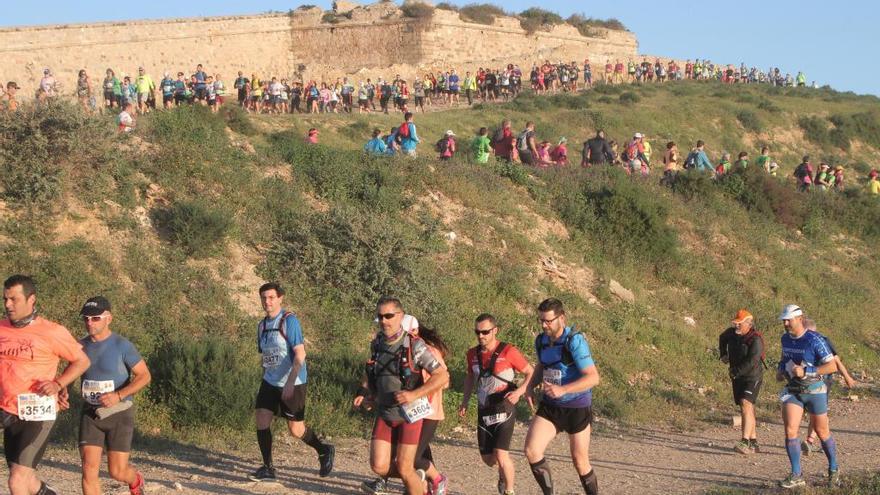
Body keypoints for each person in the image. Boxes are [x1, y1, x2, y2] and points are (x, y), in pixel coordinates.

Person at [0, 274, 91, 495]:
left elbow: (82, 361)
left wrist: (59, 384)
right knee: (25, 478)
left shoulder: (52, 331)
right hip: (6, 410)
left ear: (31, 299)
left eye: (14, 299)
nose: (8, 305)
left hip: (38, 413)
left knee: (17, 481)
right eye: (5, 299)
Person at [354, 297, 449, 495]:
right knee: (379, 466)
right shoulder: (377, 344)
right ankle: (419, 478)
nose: (384, 321)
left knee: (406, 466)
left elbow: (442, 376)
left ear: (401, 316)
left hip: (410, 414)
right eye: (380, 316)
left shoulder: (415, 346)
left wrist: (414, 394)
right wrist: (370, 396)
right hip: (386, 412)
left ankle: (417, 481)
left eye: (389, 316)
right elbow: (375, 375)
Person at [250, 283, 335, 482]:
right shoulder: (262, 326)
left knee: (296, 430)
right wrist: (266, 377)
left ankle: (324, 450)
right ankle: (268, 467)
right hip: (270, 381)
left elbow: (300, 354)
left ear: (280, 298)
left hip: (294, 381)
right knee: (261, 418)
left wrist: (289, 382)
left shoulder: (289, 321)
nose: (267, 302)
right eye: (263, 298)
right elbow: (266, 356)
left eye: (271, 297)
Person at [524, 298, 600, 495]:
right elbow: (542, 365)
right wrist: (530, 386)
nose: (544, 325)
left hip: (576, 407)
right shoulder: (541, 340)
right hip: (551, 406)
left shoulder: (574, 341)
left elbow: (593, 377)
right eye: (541, 320)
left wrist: (564, 390)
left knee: (580, 461)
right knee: (532, 450)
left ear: (562, 318)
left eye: (548, 321)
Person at [77, 296, 151, 495]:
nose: (89, 323)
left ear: (108, 318)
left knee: (117, 472)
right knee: (89, 470)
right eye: (86, 319)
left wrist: (118, 395)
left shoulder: (122, 345)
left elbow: (144, 376)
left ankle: (135, 480)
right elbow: (69, 372)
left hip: (119, 413)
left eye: (95, 318)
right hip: (91, 414)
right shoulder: (79, 346)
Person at [459, 313, 534, 495]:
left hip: (504, 407)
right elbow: (470, 377)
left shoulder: (508, 351)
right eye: (477, 332)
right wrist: (465, 401)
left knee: (501, 455)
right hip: (484, 408)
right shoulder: (472, 354)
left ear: (495, 330)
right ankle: (502, 474)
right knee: (489, 459)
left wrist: (519, 392)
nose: (481, 336)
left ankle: (509, 490)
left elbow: (530, 372)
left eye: (485, 332)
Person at [775, 304, 840, 489]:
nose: (786, 323)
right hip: (794, 390)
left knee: (822, 432)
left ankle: (833, 469)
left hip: (815, 391)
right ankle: (796, 474)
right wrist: (781, 370)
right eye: (783, 320)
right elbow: (784, 357)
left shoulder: (815, 339)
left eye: (789, 320)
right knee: (790, 431)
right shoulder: (785, 338)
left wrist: (807, 371)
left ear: (800, 318)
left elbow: (832, 366)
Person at [801, 318, 855, 457]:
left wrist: (847, 377)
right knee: (816, 413)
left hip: (823, 381)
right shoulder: (798, 340)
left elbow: (836, 361)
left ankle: (810, 441)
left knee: (817, 412)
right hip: (806, 382)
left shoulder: (822, 341)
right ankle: (813, 441)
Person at [718, 309, 765, 455]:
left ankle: (744, 441)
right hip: (737, 377)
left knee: (745, 403)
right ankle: (754, 441)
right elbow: (722, 338)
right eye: (735, 323)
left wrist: (735, 371)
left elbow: (753, 361)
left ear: (748, 324)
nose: (736, 326)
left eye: (739, 324)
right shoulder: (731, 333)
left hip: (752, 377)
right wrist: (723, 354)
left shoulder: (755, 339)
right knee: (747, 407)